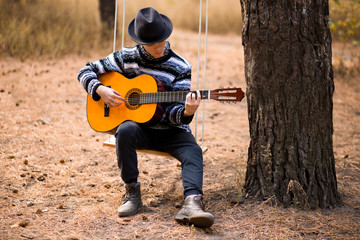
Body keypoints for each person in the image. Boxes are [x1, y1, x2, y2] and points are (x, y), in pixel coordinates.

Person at [77, 7, 214, 228]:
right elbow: (85, 71)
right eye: (152, 44)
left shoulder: (180, 66)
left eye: (162, 41)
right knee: (125, 130)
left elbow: (174, 113)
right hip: (140, 130)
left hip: (171, 131)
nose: (159, 47)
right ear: (141, 43)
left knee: (194, 151)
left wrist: (187, 112)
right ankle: (132, 194)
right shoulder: (126, 57)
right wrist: (100, 90)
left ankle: (192, 203)